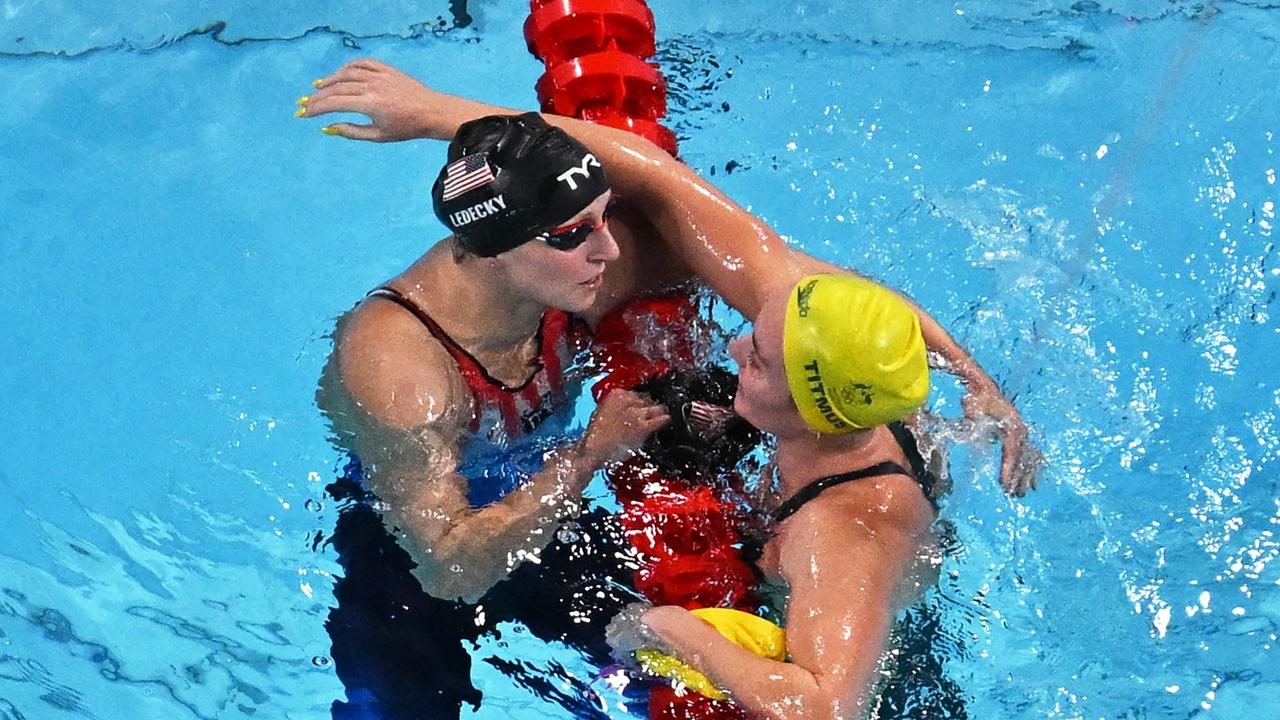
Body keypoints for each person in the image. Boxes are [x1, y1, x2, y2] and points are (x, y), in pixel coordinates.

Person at [298, 59, 1038, 717]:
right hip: (421, 531)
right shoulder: (402, 375)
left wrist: (972, 379)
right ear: (489, 252)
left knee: (666, 640)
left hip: (553, 503)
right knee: (396, 694)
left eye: (601, 217)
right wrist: (588, 458)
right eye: (575, 234)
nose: (612, 246)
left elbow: (792, 279)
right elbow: (451, 568)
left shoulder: (590, 267)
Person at [607, 274, 944, 720]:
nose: (735, 350)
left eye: (759, 362)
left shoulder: (839, 532)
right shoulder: (880, 405)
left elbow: (826, 710)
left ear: (810, 410)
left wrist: (670, 630)